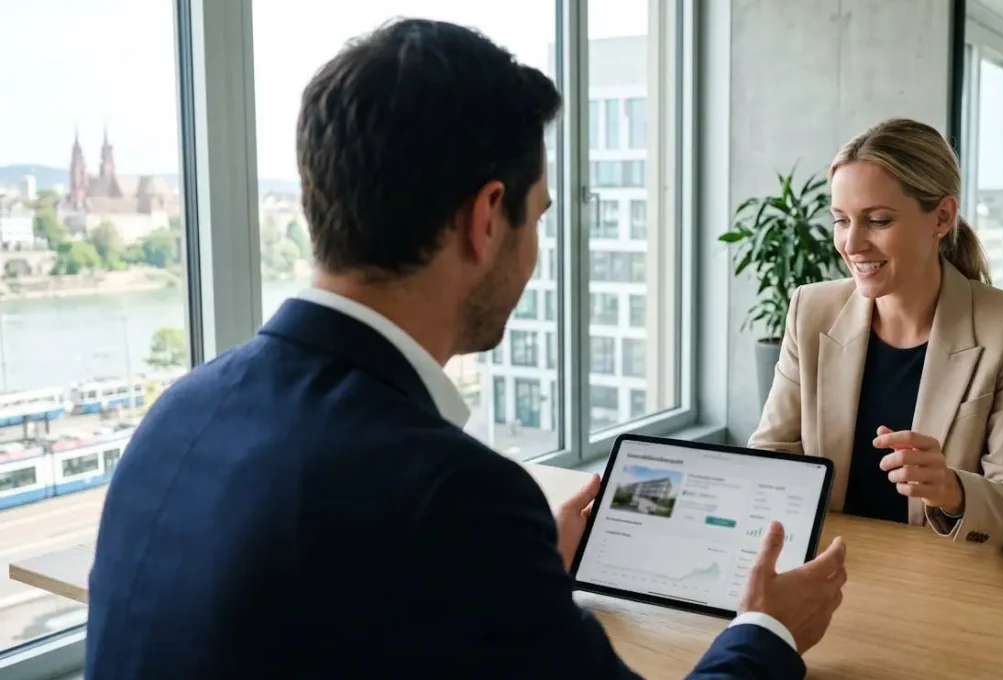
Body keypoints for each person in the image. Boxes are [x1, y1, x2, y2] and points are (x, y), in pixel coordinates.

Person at [85, 19, 847, 680]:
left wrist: (520, 578)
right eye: (538, 218)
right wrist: (767, 630)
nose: (535, 253)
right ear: (487, 218)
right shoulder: (450, 496)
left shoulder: (179, 412)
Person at [749, 118, 1003, 548]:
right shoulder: (812, 310)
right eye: (841, 220)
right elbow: (769, 458)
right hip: (837, 561)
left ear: (942, 217)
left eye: (877, 220)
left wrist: (953, 490)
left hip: (948, 576)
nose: (852, 244)